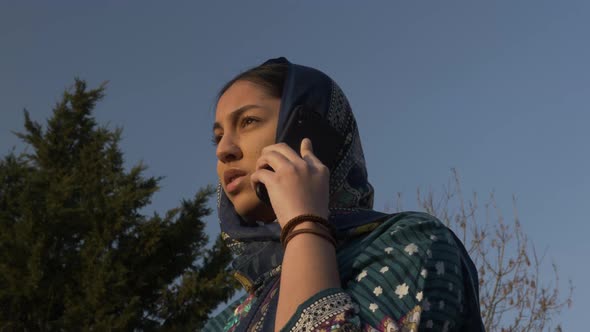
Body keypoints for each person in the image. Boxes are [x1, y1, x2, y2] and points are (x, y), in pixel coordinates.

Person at [202, 57, 485, 332]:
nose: (223, 149)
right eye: (217, 137)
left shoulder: (412, 243)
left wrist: (304, 222)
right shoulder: (223, 323)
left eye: (249, 121)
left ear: (307, 130)